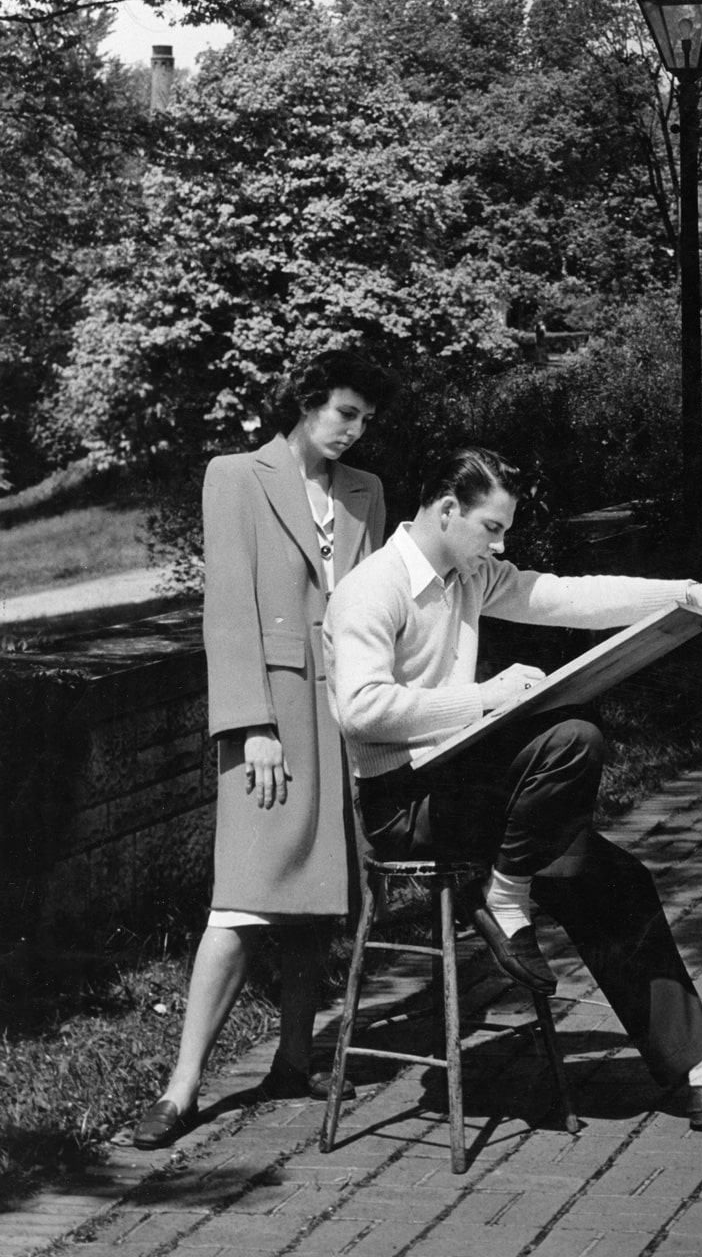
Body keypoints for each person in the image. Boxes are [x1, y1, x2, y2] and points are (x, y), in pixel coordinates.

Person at [323, 447, 702, 1134]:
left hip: (461, 786)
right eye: (491, 528)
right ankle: (503, 894)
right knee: (572, 738)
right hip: (404, 807)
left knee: (615, 879)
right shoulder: (371, 589)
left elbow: (560, 594)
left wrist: (680, 592)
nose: (499, 544)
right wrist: (483, 698)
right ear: (444, 511)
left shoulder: (465, 571)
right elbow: (359, 709)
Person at [132, 351, 394, 1150]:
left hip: (340, 710)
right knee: (243, 898)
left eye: (365, 420)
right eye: (344, 412)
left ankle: (293, 1058)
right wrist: (252, 726)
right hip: (271, 714)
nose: (353, 430)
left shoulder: (366, 493)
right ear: (307, 402)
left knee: (318, 892)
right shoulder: (236, 477)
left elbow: (368, 609)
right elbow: (229, 610)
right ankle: (181, 1091)